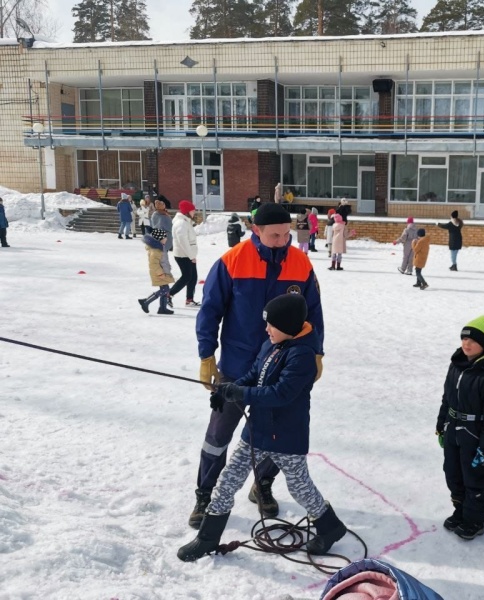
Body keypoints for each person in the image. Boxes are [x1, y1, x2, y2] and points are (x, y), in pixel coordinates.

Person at [178, 294, 346, 561]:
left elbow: (280, 394)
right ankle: (207, 539)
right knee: (228, 481)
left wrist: (241, 393)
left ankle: (331, 528)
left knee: (300, 487)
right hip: (257, 430)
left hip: (286, 437)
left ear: (289, 326)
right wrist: (226, 390)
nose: (266, 329)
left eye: (272, 325)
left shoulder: (302, 355)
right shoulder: (271, 345)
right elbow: (254, 375)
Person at [191, 203, 324, 529]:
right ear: (256, 231)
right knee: (218, 435)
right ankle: (205, 494)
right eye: (274, 235)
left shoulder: (300, 262)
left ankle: (262, 484)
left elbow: (313, 312)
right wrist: (207, 355)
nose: (282, 240)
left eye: (286, 234)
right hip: (237, 367)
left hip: (279, 368)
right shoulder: (232, 261)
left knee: (274, 434)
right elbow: (210, 311)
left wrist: (316, 352)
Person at [436, 316, 484, 540]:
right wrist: (441, 425)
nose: (466, 344)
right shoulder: (457, 364)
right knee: (452, 473)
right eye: (463, 339)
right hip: (452, 429)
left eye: (472, 340)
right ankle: (460, 510)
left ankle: (475, 520)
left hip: (473, 433)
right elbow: (447, 397)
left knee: (474, 478)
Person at [137, 228, 175, 315]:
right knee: (165, 289)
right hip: (159, 273)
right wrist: (160, 273)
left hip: (163, 272)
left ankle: (162, 308)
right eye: (165, 238)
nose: (166, 239)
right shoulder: (156, 250)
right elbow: (153, 264)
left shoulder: (160, 248)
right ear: (159, 238)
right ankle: (146, 302)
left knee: (165, 289)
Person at [170, 201, 200, 308]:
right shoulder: (181, 223)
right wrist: (191, 256)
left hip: (188, 254)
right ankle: (169, 294)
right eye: (193, 210)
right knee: (187, 277)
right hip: (183, 255)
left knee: (193, 277)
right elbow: (183, 241)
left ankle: (189, 299)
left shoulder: (186, 222)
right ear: (187, 211)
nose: (194, 212)